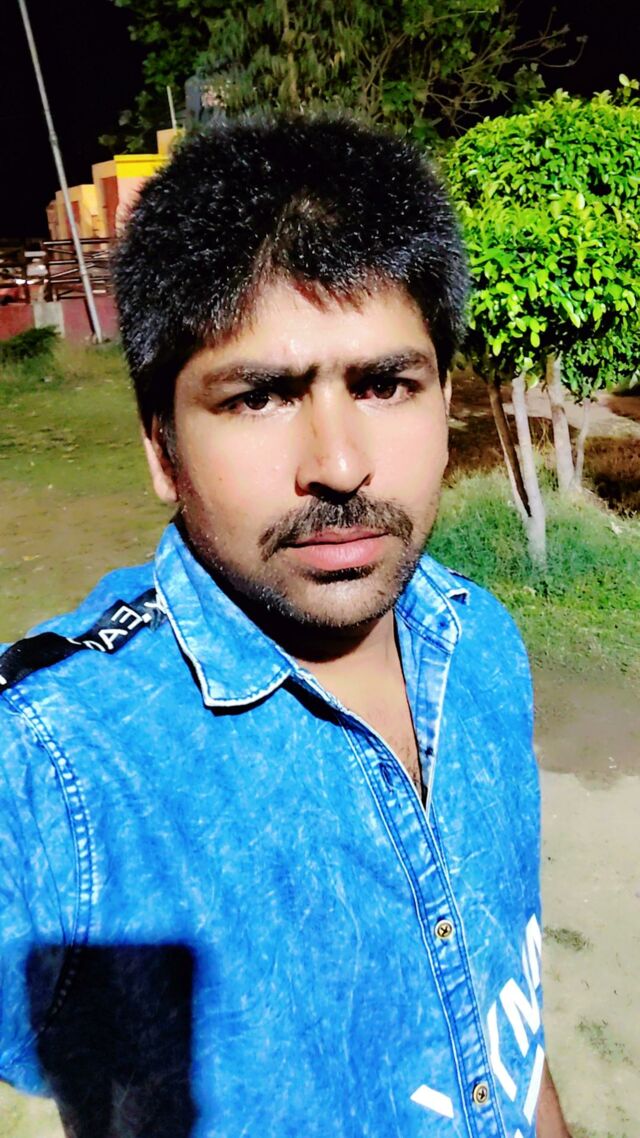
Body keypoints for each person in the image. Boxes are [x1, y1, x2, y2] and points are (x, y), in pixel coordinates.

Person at [0, 116, 571, 1137]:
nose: (339, 465)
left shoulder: (481, 642)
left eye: (384, 385)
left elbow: (510, 1040)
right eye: (261, 396)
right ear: (161, 448)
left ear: (445, 402)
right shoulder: (58, 768)